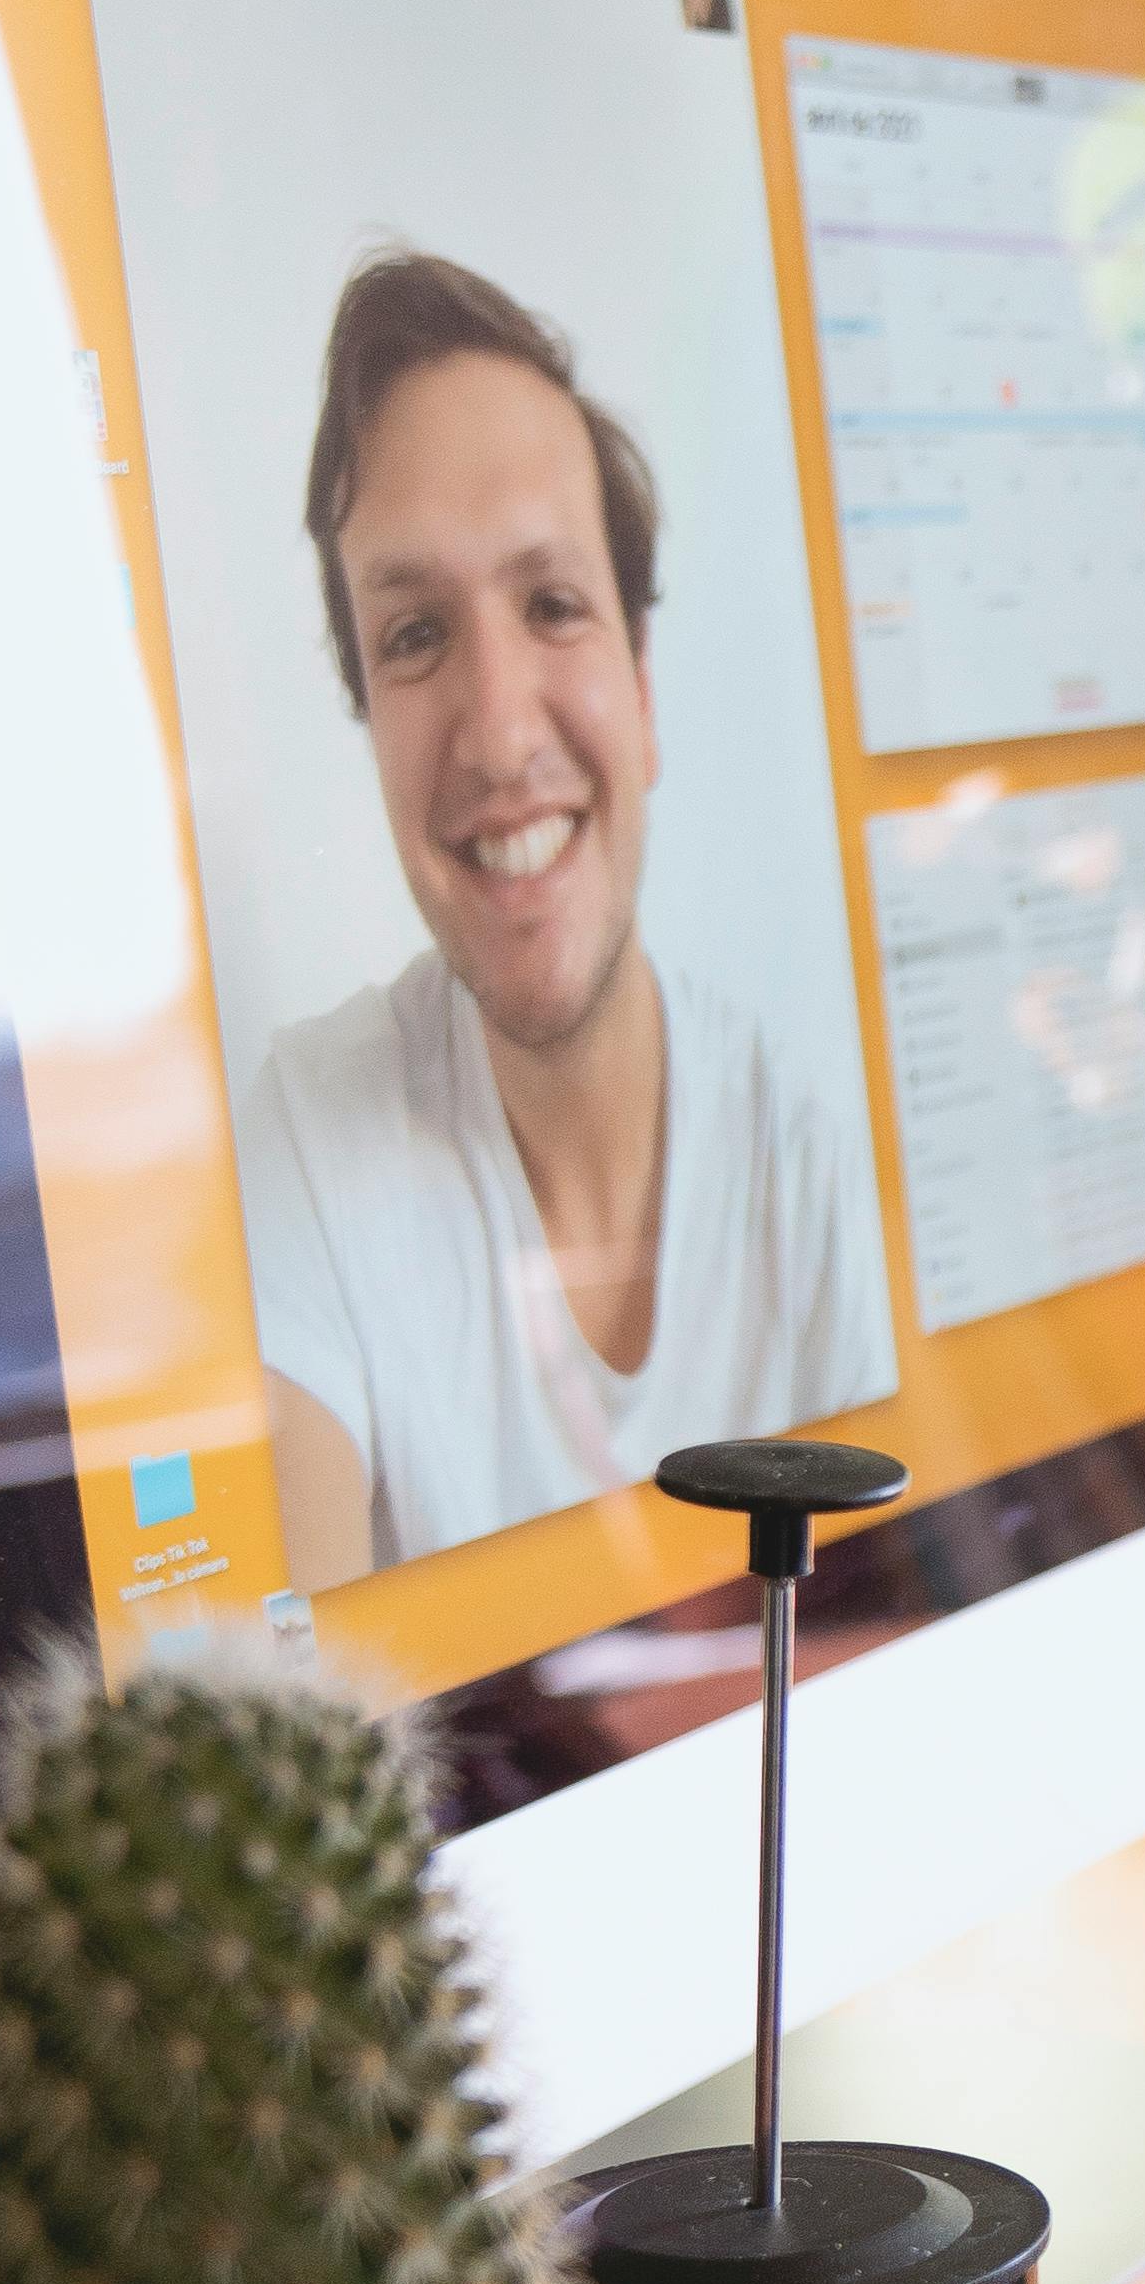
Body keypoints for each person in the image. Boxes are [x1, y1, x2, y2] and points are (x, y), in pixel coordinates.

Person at [248, 248, 889, 1577]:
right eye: (415, 635)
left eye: (552, 604)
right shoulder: (305, 1145)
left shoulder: (817, 1150)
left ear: (644, 690)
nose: (495, 730)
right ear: (368, 721)